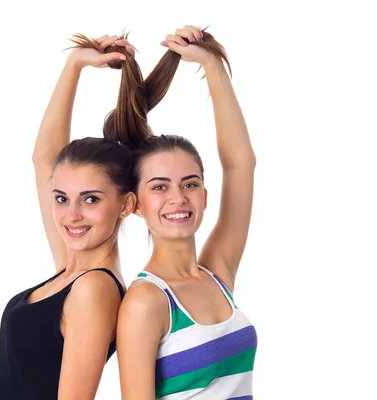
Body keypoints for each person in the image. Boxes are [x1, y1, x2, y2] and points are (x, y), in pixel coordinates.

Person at [0, 34, 137, 400]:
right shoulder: (71, 267)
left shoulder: (93, 289)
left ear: (126, 205)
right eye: (61, 198)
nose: (71, 214)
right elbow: (45, 157)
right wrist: (74, 65)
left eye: (90, 199)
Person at [114, 26, 258, 399]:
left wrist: (212, 65)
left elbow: (240, 165)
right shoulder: (147, 301)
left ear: (205, 196)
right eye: (159, 187)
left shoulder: (218, 274)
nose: (178, 197)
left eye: (190, 184)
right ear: (135, 206)